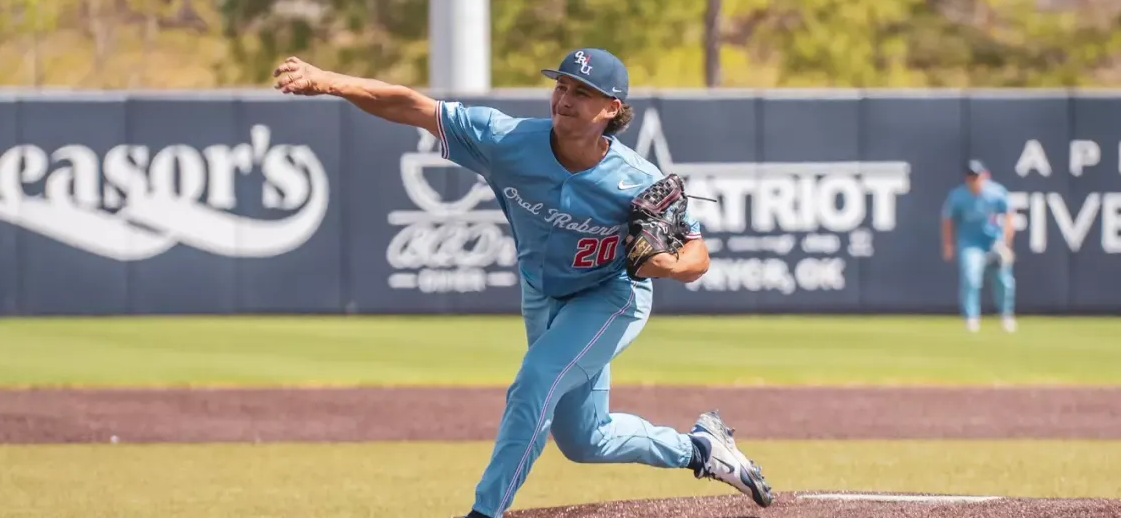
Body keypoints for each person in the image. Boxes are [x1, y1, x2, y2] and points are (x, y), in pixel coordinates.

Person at [273, 48, 774, 517]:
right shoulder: (506, 140)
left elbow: (698, 256)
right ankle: (701, 448)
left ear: (611, 108)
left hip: (610, 297)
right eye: (562, 85)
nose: (565, 98)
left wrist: (672, 266)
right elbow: (411, 106)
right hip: (543, 294)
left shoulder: (637, 179)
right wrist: (327, 81)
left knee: (534, 382)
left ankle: (484, 510)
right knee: (585, 440)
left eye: (582, 91)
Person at [940, 160, 1017, 333]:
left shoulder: (996, 192)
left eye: (977, 176)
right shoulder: (958, 196)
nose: (974, 180)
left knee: (1003, 281)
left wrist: (1006, 243)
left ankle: (1006, 315)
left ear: (985, 175)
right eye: (970, 176)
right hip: (971, 243)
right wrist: (948, 244)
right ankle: (972, 317)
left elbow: (1009, 215)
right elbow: (947, 220)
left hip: (994, 242)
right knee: (971, 277)